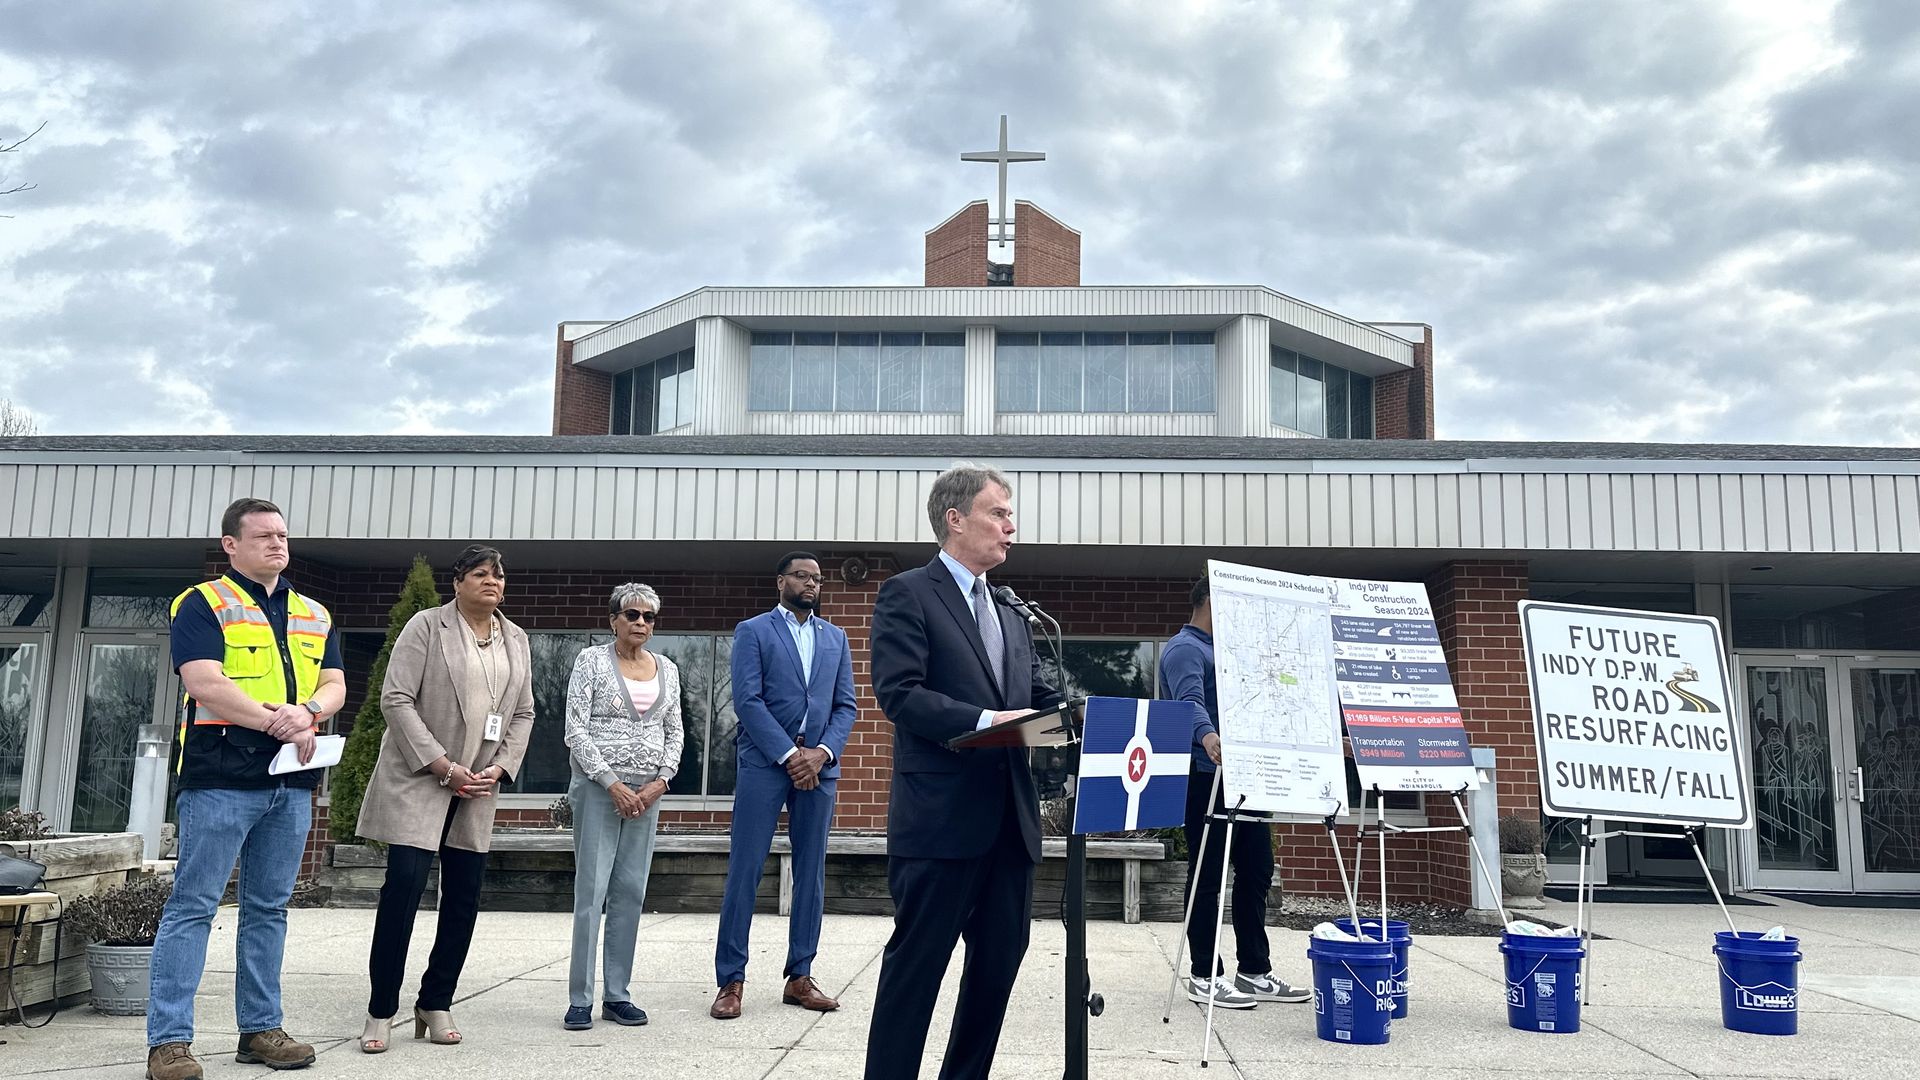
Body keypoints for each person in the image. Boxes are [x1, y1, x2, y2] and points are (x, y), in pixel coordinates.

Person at [863, 463, 1060, 1080]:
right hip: (942, 824)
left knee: (997, 968)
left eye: (1010, 515)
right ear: (955, 519)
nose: (1011, 528)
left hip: (1010, 825)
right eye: (999, 514)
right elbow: (899, 693)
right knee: (916, 969)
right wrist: (986, 719)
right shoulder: (908, 593)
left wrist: (1075, 717)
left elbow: (1037, 698)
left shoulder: (1009, 609)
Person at [147, 498, 345, 1080]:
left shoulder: (314, 612)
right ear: (231, 545)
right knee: (193, 907)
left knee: (269, 909)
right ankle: (170, 1043)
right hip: (221, 776)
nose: (277, 545)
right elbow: (203, 681)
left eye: (282, 536)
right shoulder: (202, 603)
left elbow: (334, 684)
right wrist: (275, 720)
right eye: (262, 536)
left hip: (291, 779)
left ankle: (261, 1030)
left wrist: (307, 711)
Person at [353, 545, 535, 1053]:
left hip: (478, 784)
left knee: (463, 898)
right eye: (480, 574)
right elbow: (396, 699)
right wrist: (442, 766)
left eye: (498, 575)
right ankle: (381, 1009)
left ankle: (435, 1001)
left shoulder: (516, 639)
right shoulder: (427, 626)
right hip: (422, 777)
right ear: (456, 582)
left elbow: (524, 713)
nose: (491, 582)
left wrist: (500, 768)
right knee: (404, 890)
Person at [711, 551, 858, 1019]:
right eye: (801, 575)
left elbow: (845, 706)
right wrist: (791, 754)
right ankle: (731, 980)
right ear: (781, 582)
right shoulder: (753, 631)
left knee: (811, 873)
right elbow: (748, 701)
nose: (811, 583)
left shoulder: (835, 637)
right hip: (765, 763)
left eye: (816, 578)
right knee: (746, 869)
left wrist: (822, 753)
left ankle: (800, 977)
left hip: (820, 768)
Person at [1161, 576, 1311, 1009]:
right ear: (1210, 601)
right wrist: (1208, 736)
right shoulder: (1185, 648)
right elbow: (1189, 702)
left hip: (1248, 777)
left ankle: (1254, 970)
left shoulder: (1231, 653)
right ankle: (1203, 974)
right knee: (1208, 875)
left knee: (1257, 870)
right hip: (1207, 775)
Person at [561, 582, 683, 1031]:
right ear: (614, 619)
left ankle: (618, 995)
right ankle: (580, 998)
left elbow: (676, 731)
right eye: (632, 615)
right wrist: (611, 783)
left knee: (631, 891)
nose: (641, 623)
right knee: (591, 892)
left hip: (647, 794)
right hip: (600, 789)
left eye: (649, 617)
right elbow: (576, 730)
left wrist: (661, 782)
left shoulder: (668, 668)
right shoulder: (590, 661)